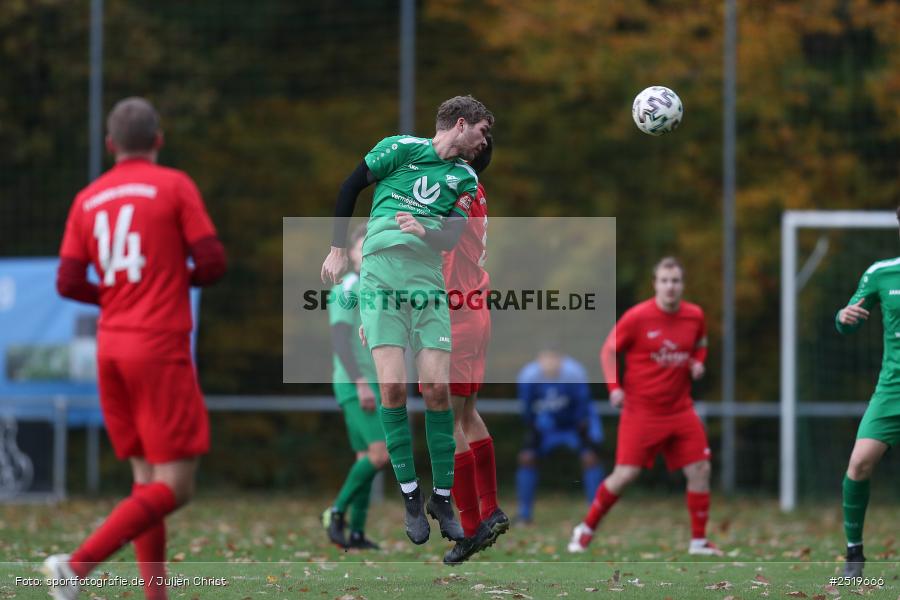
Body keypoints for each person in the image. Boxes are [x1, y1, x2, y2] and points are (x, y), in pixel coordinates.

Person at [45, 97, 227, 600]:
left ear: (110, 146)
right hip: (157, 346)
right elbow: (212, 262)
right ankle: (76, 567)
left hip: (111, 349)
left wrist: (112, 292)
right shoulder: (173, 185)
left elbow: (66, 280)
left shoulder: (87, 198)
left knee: (147, 480)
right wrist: (172, 278)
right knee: (177, 486)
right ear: (158, 141)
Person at [321, 95, 493, 546]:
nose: (484, 142)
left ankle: (441, 498)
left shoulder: (463, 178)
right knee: (393, 389)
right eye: (482, 131)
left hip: (426, 283)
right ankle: (412, 497)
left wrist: (425, 231)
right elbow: (348, 186)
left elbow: (453, 234)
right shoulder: (399, 147)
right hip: (379, 280)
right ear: (462, 124)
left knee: (436, 390)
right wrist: (340, 248)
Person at [568, 257, 721, 556]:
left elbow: (700, 344)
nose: (670, 286)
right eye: (664, 280)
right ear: (655, 284)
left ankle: (699, 541)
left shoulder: (694, 316)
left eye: (675, 281)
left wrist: (697, 364)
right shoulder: (638, 317)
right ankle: (586, 528)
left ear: (682, 285)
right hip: (642, 411)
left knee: (701, 468)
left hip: (680, 409)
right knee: (625, 475)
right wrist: (614, 389)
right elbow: (608, 349)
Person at [441, 135, 510, 565]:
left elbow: (440, 243)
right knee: (465, 415)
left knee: (444, 421)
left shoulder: (457, 186)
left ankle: (469, 529)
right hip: (475, 309)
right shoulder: (473, 188)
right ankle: (490, 509)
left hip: (457, 316)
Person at [835, 223, 900, 577]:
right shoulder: (881, 273)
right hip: (892, 391)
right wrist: (842, 318)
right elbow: (847, 320)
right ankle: (854, 554)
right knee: (859, 464)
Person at [322, 224, 389, 550]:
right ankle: (335, 513)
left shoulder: (376, 288)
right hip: (356, 383)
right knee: (380, 455)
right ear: (350, 253)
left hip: (373, 382)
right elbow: (339, 340)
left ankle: (358, 533)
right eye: (364, 247)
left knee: (365, 457)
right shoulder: (349, 287)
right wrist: (361, 383)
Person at [515, 348, 605, 524]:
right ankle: (524, 514)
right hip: (546, 429)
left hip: (572, 427)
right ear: (539, 360)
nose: (550, 364)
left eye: (554, 359)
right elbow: (527, 411)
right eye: (545, 359)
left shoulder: (574, 374)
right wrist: (535, 432)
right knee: (526, 458)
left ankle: (595, 514)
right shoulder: (528, 376)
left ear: (561, 359)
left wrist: (587, 439)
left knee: (590, 458)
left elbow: (583, 410)